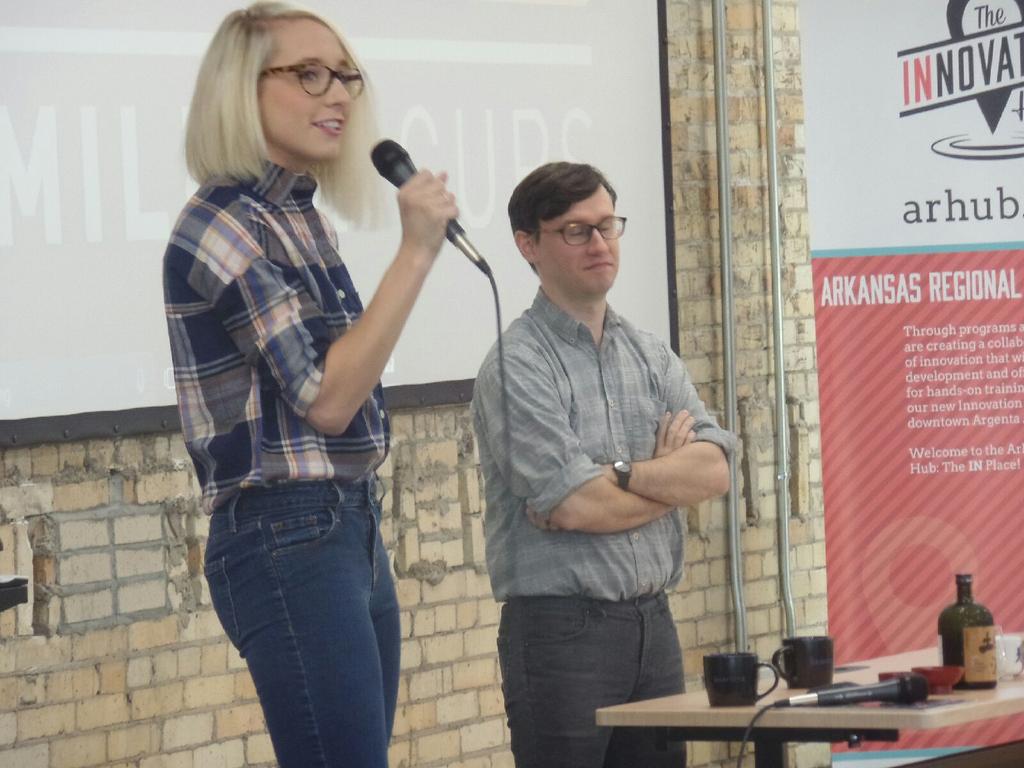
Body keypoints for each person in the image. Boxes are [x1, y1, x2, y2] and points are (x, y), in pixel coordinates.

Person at [162, 3, 458, 766]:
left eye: (346, 77)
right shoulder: (222, 223)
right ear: (240, 87)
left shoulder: (299, 217)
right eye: (310, 74)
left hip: (349, 522)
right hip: (284, 531)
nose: (339, 96)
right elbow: (328, 398)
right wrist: (416, 253)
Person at [472, 162, 737, 768]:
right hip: (563, 634)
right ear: (528, 245)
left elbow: (716, 469)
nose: (599, 243)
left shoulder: (650, 353)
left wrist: (618, 474)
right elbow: (574, 504)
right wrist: (668, 478)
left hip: (654, 624)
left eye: (608, 225)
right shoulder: (517, 365)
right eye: (575, 230)